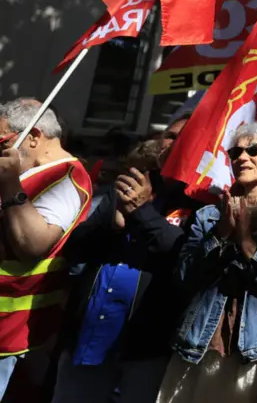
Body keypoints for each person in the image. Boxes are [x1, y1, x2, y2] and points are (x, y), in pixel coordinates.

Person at [156, 121, 257, 403]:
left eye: (254, 149)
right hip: (199, 346)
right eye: (235, 152)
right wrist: (222, 233)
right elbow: (185, 277)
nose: (243, 157)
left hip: (256, 351)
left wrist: (246, 240)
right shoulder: (209, 216)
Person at [53, 129, 198, 403]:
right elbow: (74, 249)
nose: (172, 143)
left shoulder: (199, 200)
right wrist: (113, 227)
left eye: (184, 136)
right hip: (90, 336)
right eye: (170, 135)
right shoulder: (130, 185)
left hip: (146, 349)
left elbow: (182, 256)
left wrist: (141, 212)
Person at [0, 99, 93, 399]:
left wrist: (11, 184)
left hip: (14, 330)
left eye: (3, 142)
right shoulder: (24, 173)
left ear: (34, 136)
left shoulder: (67, 177)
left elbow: (32, 242)